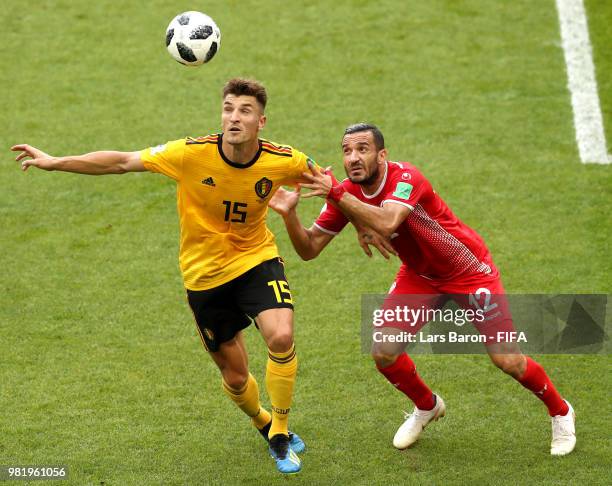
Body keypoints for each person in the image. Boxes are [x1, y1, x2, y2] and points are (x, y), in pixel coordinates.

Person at [12, 78, 323, 474]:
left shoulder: (286, 160)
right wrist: (56, 161)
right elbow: (122, 161)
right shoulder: (190, 154)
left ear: (261, 122)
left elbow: (331, 187)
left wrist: (364, 222)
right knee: (235, 375)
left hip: (254, 259)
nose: (234, 117)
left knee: (280, 335)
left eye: (244, 110)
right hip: (203, 276)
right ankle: (263, 423)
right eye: (228, 108)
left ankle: (280, 434)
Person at [268, 122, 576, 456]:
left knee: (508, 360)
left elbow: (388, 221)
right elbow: (309, 249)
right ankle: (427, 406)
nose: (353, 158)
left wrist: (339, 197)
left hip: (469, 271)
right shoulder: (347, 192)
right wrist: (290, 215)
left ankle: (561, 411)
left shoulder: (405, 178)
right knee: (384, 350)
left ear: (382, 155)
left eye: (362, 149)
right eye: (346, 151)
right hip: (420, 276)